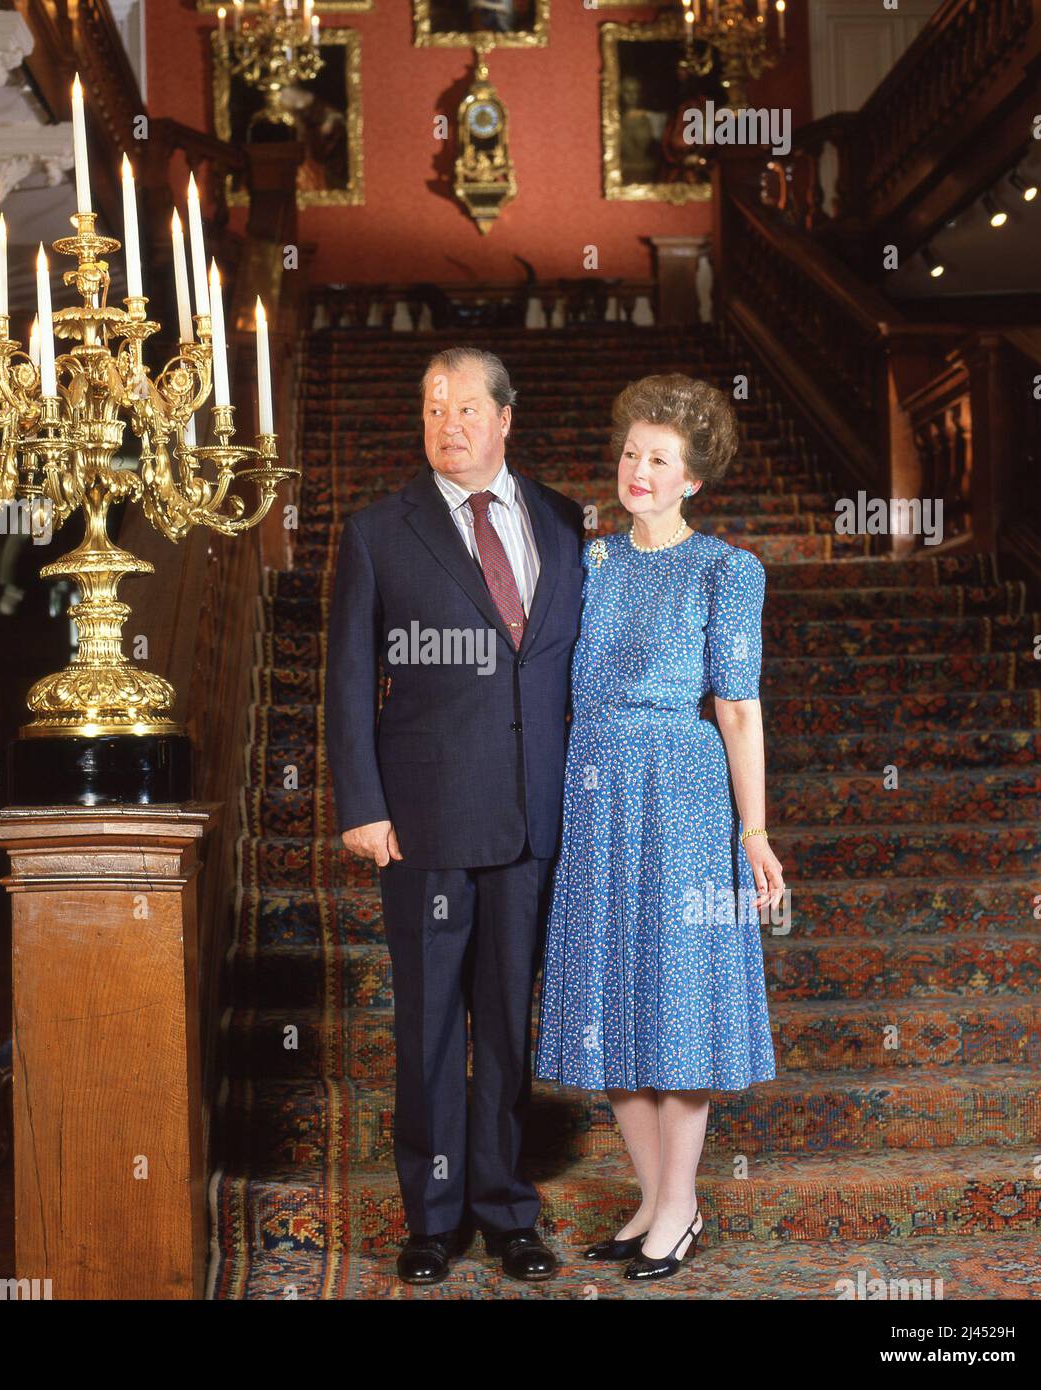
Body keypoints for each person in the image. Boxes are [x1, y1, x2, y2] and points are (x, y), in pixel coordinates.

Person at [325, 347, 585, 1285]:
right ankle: (432, 1218)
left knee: (508, 1023)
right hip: (424, 822)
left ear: (506, 418)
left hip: (530, 821)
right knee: (432, 1024)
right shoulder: (378, 532)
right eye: (433, 409)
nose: (449, 424)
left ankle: (507, 1209)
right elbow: (350, 676)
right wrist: (361, 804)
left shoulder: (562, 520)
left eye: (467, 406)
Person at [534, 373, 784, 1281]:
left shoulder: (727, 569)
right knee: (607, 998)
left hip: (680, 793)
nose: (639, 470)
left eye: (661, 460)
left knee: (677, 999)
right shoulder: (588, 560)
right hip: (595, 794)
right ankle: (651, 1199)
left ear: (694, 478)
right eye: (633, 453)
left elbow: (739, 710)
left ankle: (680, 1206)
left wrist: (752, 834)